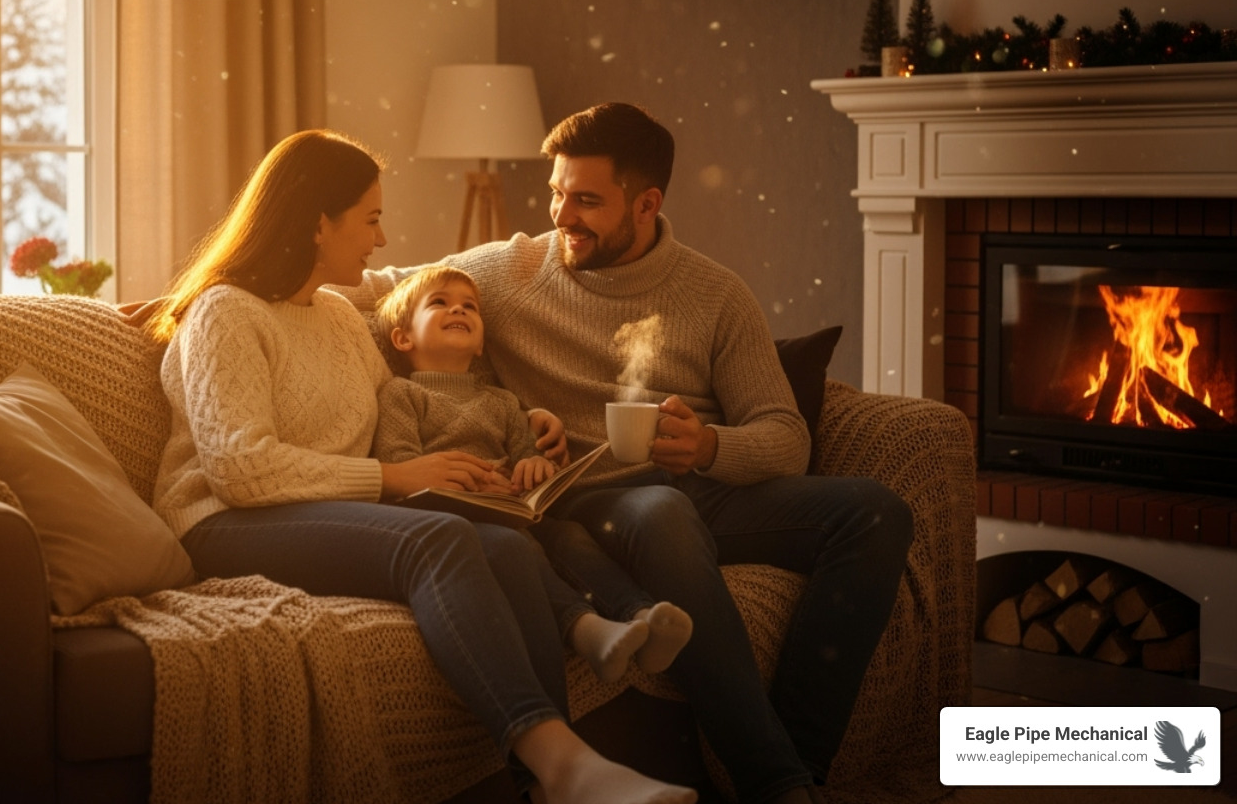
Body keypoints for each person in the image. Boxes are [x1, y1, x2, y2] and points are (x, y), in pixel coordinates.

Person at [342, 103, 914, 804]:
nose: (562, 215)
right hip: (593, 500)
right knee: (662, 513)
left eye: (586, 200)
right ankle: (780, 785)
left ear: (647, 204)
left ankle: (802, 757)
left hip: (701, 483)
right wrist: (221, 293)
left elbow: (786, 437)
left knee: (876, 513)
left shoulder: (717, 295)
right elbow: (381, 287)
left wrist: (708, 444)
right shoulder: (508, 271)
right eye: (557, 192)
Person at [145, 128, 696, 804]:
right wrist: (395, 478)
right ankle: (565, 768)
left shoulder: (342, 320)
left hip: (328, 515)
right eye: (370, 219)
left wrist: (523, 428)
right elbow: (240, 469)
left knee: (505, 545)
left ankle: (553, 784)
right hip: (225, 521)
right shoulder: (226, 313)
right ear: (319, 221)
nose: (380, 241)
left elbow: (414, 401)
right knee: (437, 539)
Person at [371, 265, 693, 682]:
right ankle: (588, 630)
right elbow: (401, 465)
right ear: (403, 337)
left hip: (512, 509)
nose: (459, 310)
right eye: (440, 303)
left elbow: (525, 455)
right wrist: (466, 480)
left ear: (482, 343)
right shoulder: (403, 395)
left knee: (570, 535)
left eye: (470, 306)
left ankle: (641, 616)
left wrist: (535, 465)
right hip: (453, 520)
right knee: (519, 550)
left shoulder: (503, 402)